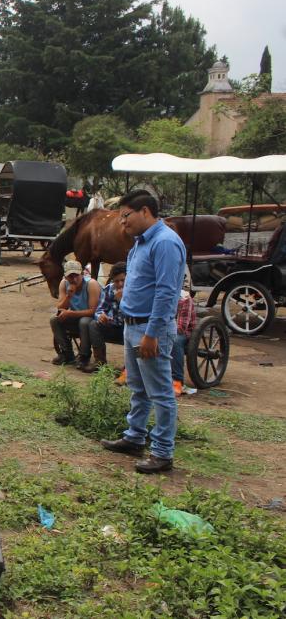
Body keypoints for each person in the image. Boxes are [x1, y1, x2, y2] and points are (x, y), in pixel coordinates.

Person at [101, 190, 185, 474]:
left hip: (150, 328)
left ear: (145, 211)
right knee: (138, 387)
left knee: (160, 392)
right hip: (132, 325)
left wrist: (153, 333)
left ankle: (162, 452)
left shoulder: (165, 243)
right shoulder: (141, 243)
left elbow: (166, 293)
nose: (122, 223)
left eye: (126, 216)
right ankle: (134, 436)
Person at [49, 259, 101, 368]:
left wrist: (71, 313)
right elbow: (61, 307)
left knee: (84, 321)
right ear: (65, 276)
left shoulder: (91, 284)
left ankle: (84, 355)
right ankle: (67, 354)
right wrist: (69, 296)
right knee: (54, 319)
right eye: (70, 276)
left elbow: (93, 311)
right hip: (74, 317)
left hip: (91, 319)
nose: (74, 279)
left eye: (77, 275)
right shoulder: (64, 284)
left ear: (82, 273)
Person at [78, 262, 126, 373]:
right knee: (93, 324)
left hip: (129, 328)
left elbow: (134, 316)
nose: (120, 284)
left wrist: (122, 301)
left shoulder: (135, 290)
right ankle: (100, 363)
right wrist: (101, 316)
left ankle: (128, 368)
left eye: (123, 280)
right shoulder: (109, 289)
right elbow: (100, 309)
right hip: (114, 326)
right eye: (116, 281)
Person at [170, 287, 196, 396]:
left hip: (183, 333)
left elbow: (181, 328)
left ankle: (177, 381)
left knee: (175, 341)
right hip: (164, 328)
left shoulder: (184, 298)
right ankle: (131, 372)